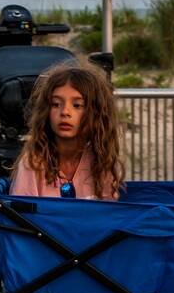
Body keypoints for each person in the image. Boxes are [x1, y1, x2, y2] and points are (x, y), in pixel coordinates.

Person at [11, 61, 124, 200]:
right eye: (56, 104)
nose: (65, 112)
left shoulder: (101, 163)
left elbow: (108, 215)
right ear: (46, 111)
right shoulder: (32, 164)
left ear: (96, 113)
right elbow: (21, 216)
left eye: (77, 105)